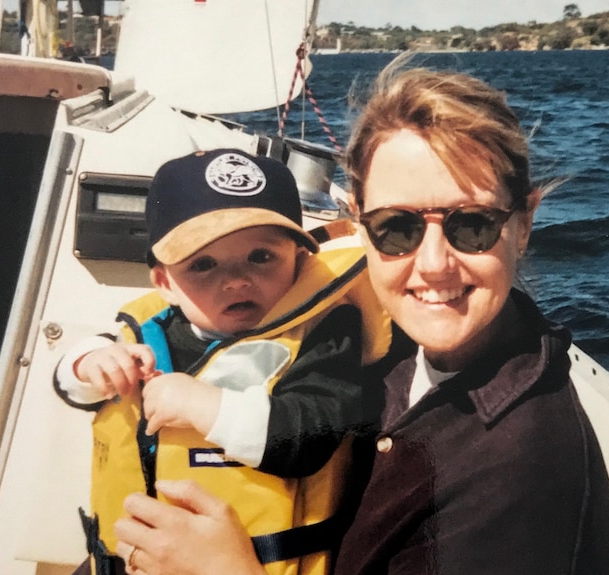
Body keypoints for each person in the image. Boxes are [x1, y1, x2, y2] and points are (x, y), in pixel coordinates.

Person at [108, 57, 609, 575]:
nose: (433, 266)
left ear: (524, 225)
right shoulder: (386, 337)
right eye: (397, 228)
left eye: (473, 225)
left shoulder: (518, 471)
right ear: (358, 223)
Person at [54, 148, 389, 575]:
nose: (236, 280)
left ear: (300, 259)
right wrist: (89, 364)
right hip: (127, 559)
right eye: (204, 264)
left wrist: (202, 406)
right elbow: (71, 384)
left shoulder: (323, 334)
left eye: (261, 256)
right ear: (164, 283)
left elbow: (311, 435)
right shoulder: (148, 330)